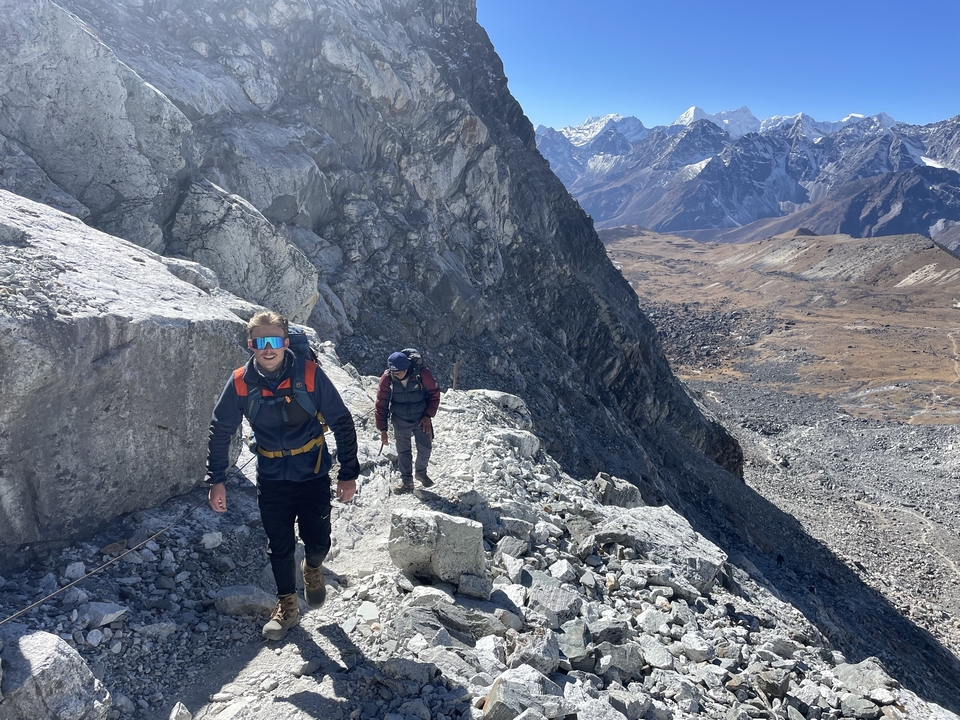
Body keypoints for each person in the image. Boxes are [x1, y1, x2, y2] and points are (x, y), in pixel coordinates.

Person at [206, 311, 360, 640]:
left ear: (286, 342)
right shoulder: (239, 383)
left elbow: (342, 422)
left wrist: (348, 473)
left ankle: (314, 567)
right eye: (260, 342)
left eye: (274, 341)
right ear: (251, 345)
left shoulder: (309, 374)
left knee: (318, 540)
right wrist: (216, 479)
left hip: (313, 472)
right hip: (272, 476)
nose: (268, 349)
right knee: (279, 544)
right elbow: (220, 431)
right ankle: (287, 605)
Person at [375, 350, 440, 494]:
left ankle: (421, 473)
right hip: (400, 420)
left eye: (400, 373)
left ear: (407, 368)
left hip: (421, 418)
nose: (397, 376)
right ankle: (407, 482)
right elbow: (381, 404)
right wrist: (383, 430)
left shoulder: (421, 374)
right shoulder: (387, 378)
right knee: (403, 452)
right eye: (394, 373)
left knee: (425, 449)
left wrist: (428, 416)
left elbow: (434, 394)